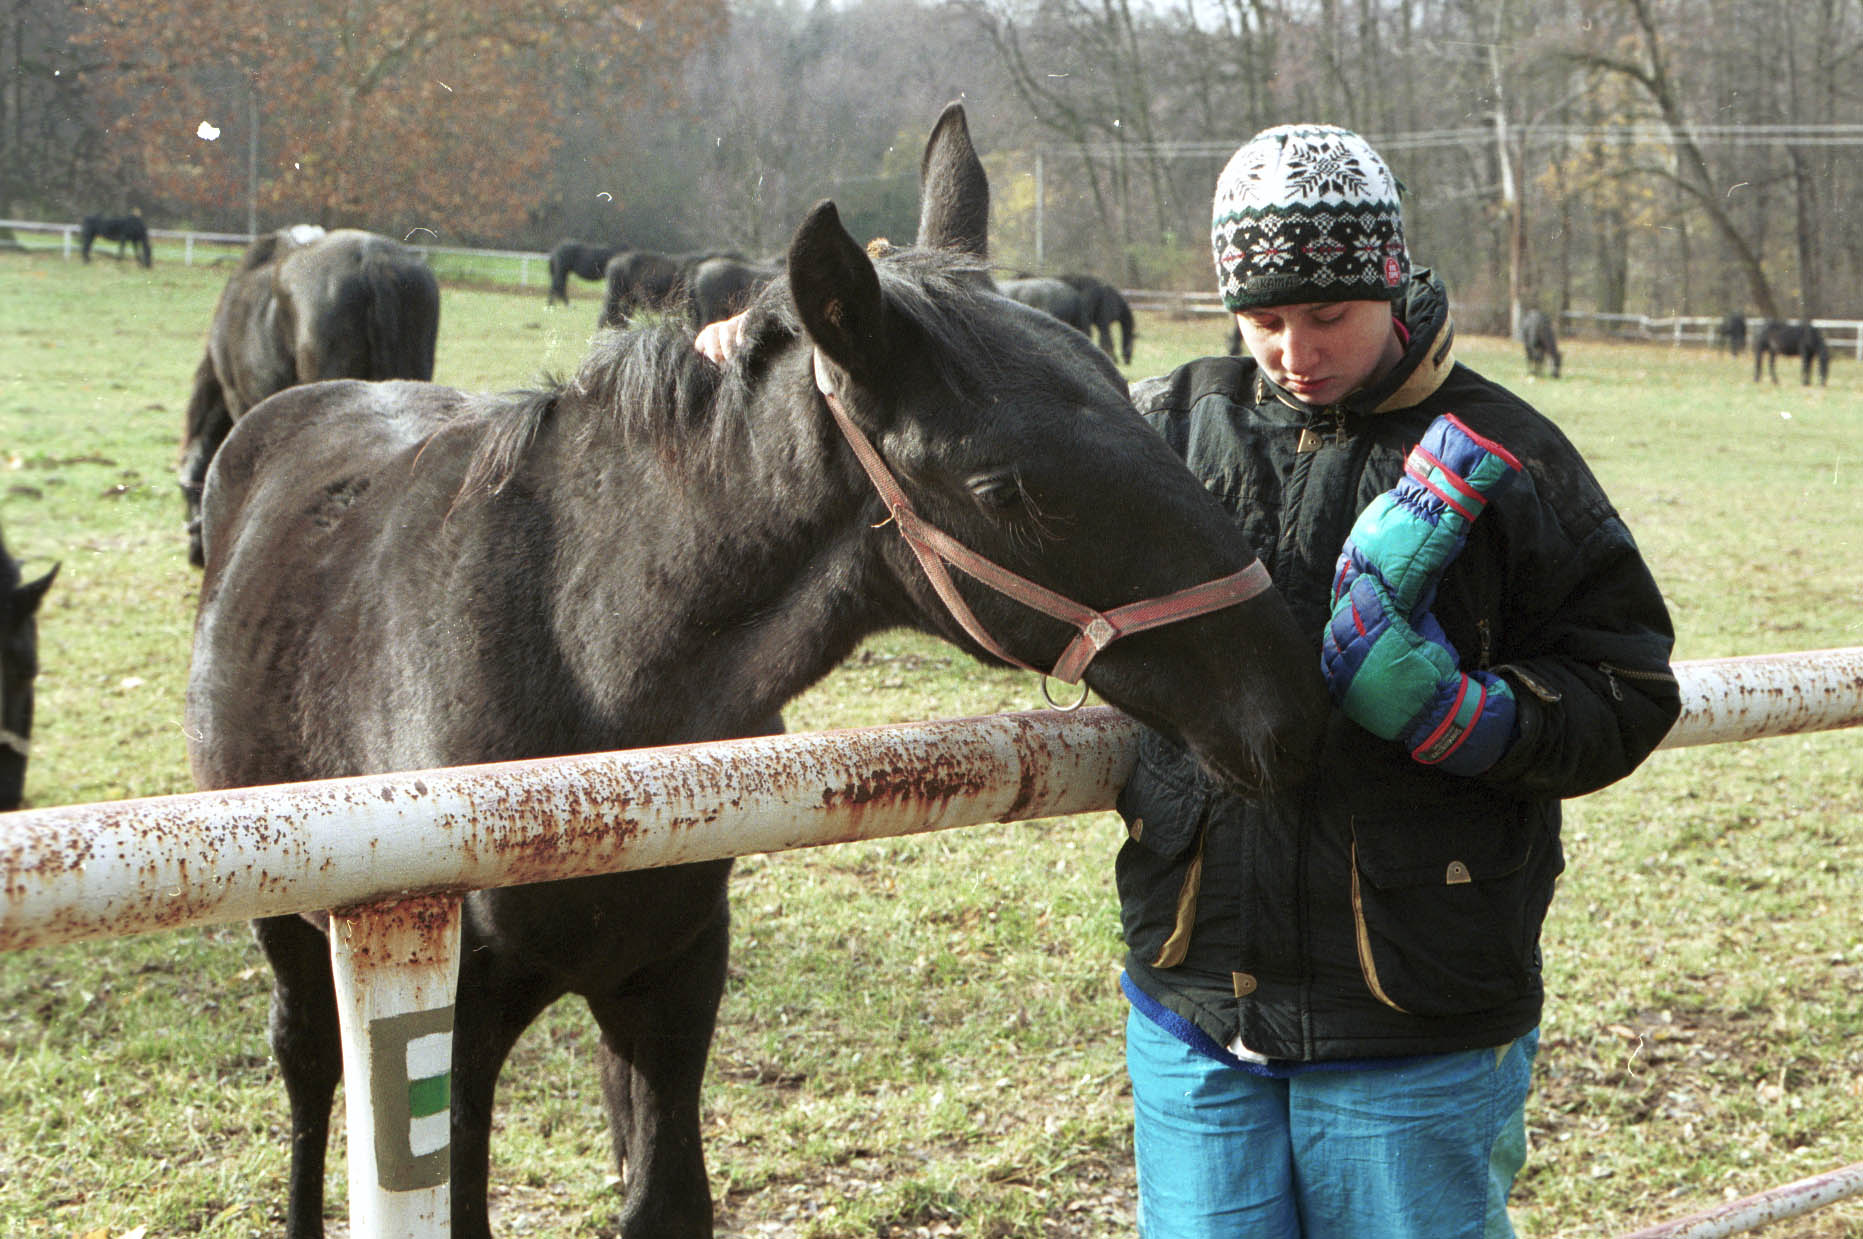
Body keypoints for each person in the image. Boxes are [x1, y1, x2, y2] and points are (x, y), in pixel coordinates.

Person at [1114, 123, 1680, 1237]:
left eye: (1328, 315)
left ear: (1391, 278)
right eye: (1264, 318)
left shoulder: (1505, 448)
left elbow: (1627, 683)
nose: (1294, 349)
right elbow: (979, 416)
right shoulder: (1174, 424)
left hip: (1418, 1008)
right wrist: (785, 330)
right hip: (1195, 992)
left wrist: (1465, 716)